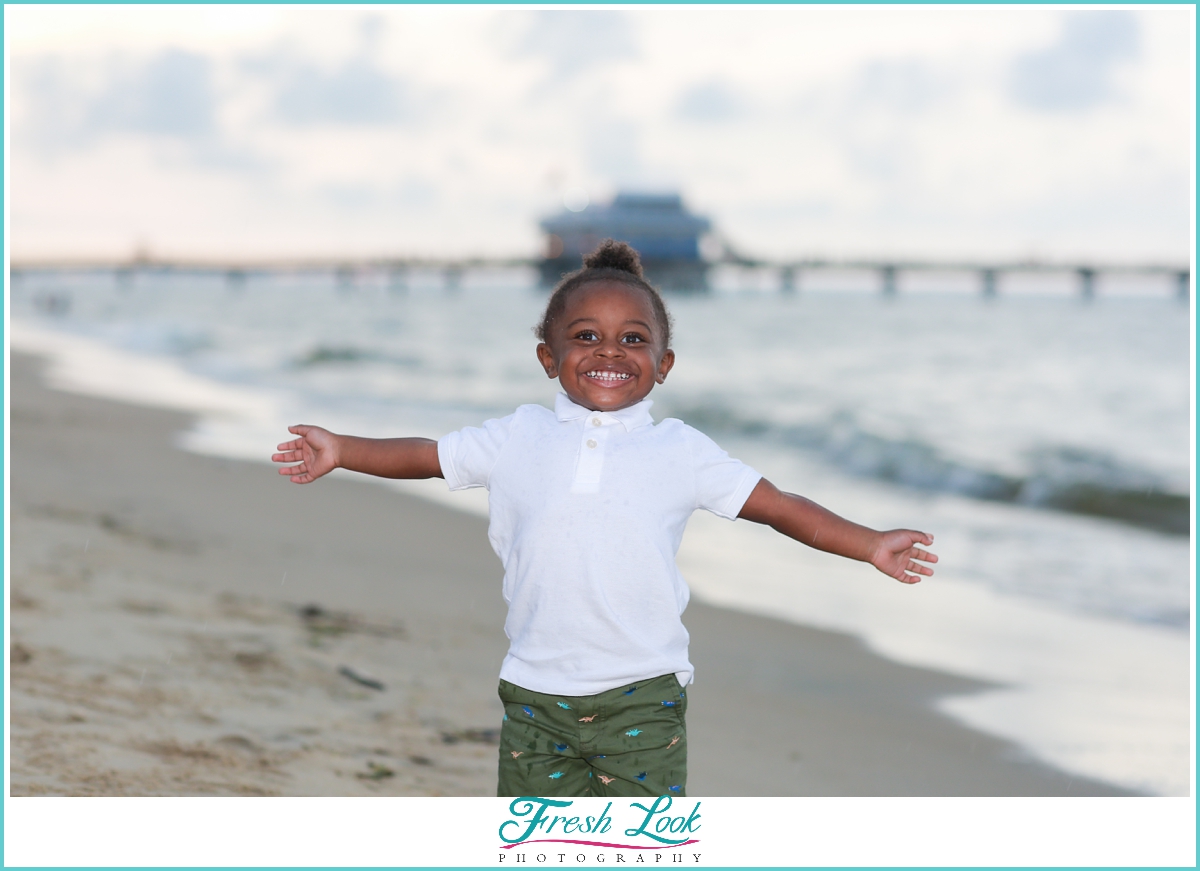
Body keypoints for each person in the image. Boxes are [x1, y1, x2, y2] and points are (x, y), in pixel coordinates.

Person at [272, 239, 937, 798]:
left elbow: (780, 507)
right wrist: (344, 449)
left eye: (634, 339)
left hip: (644, 693)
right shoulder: (517, 435)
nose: (610, 351)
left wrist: (869, 543)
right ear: (548, 357)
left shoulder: (681, 450)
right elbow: (427, 454)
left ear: (664, 364)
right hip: (534, 689)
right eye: (585, 336)